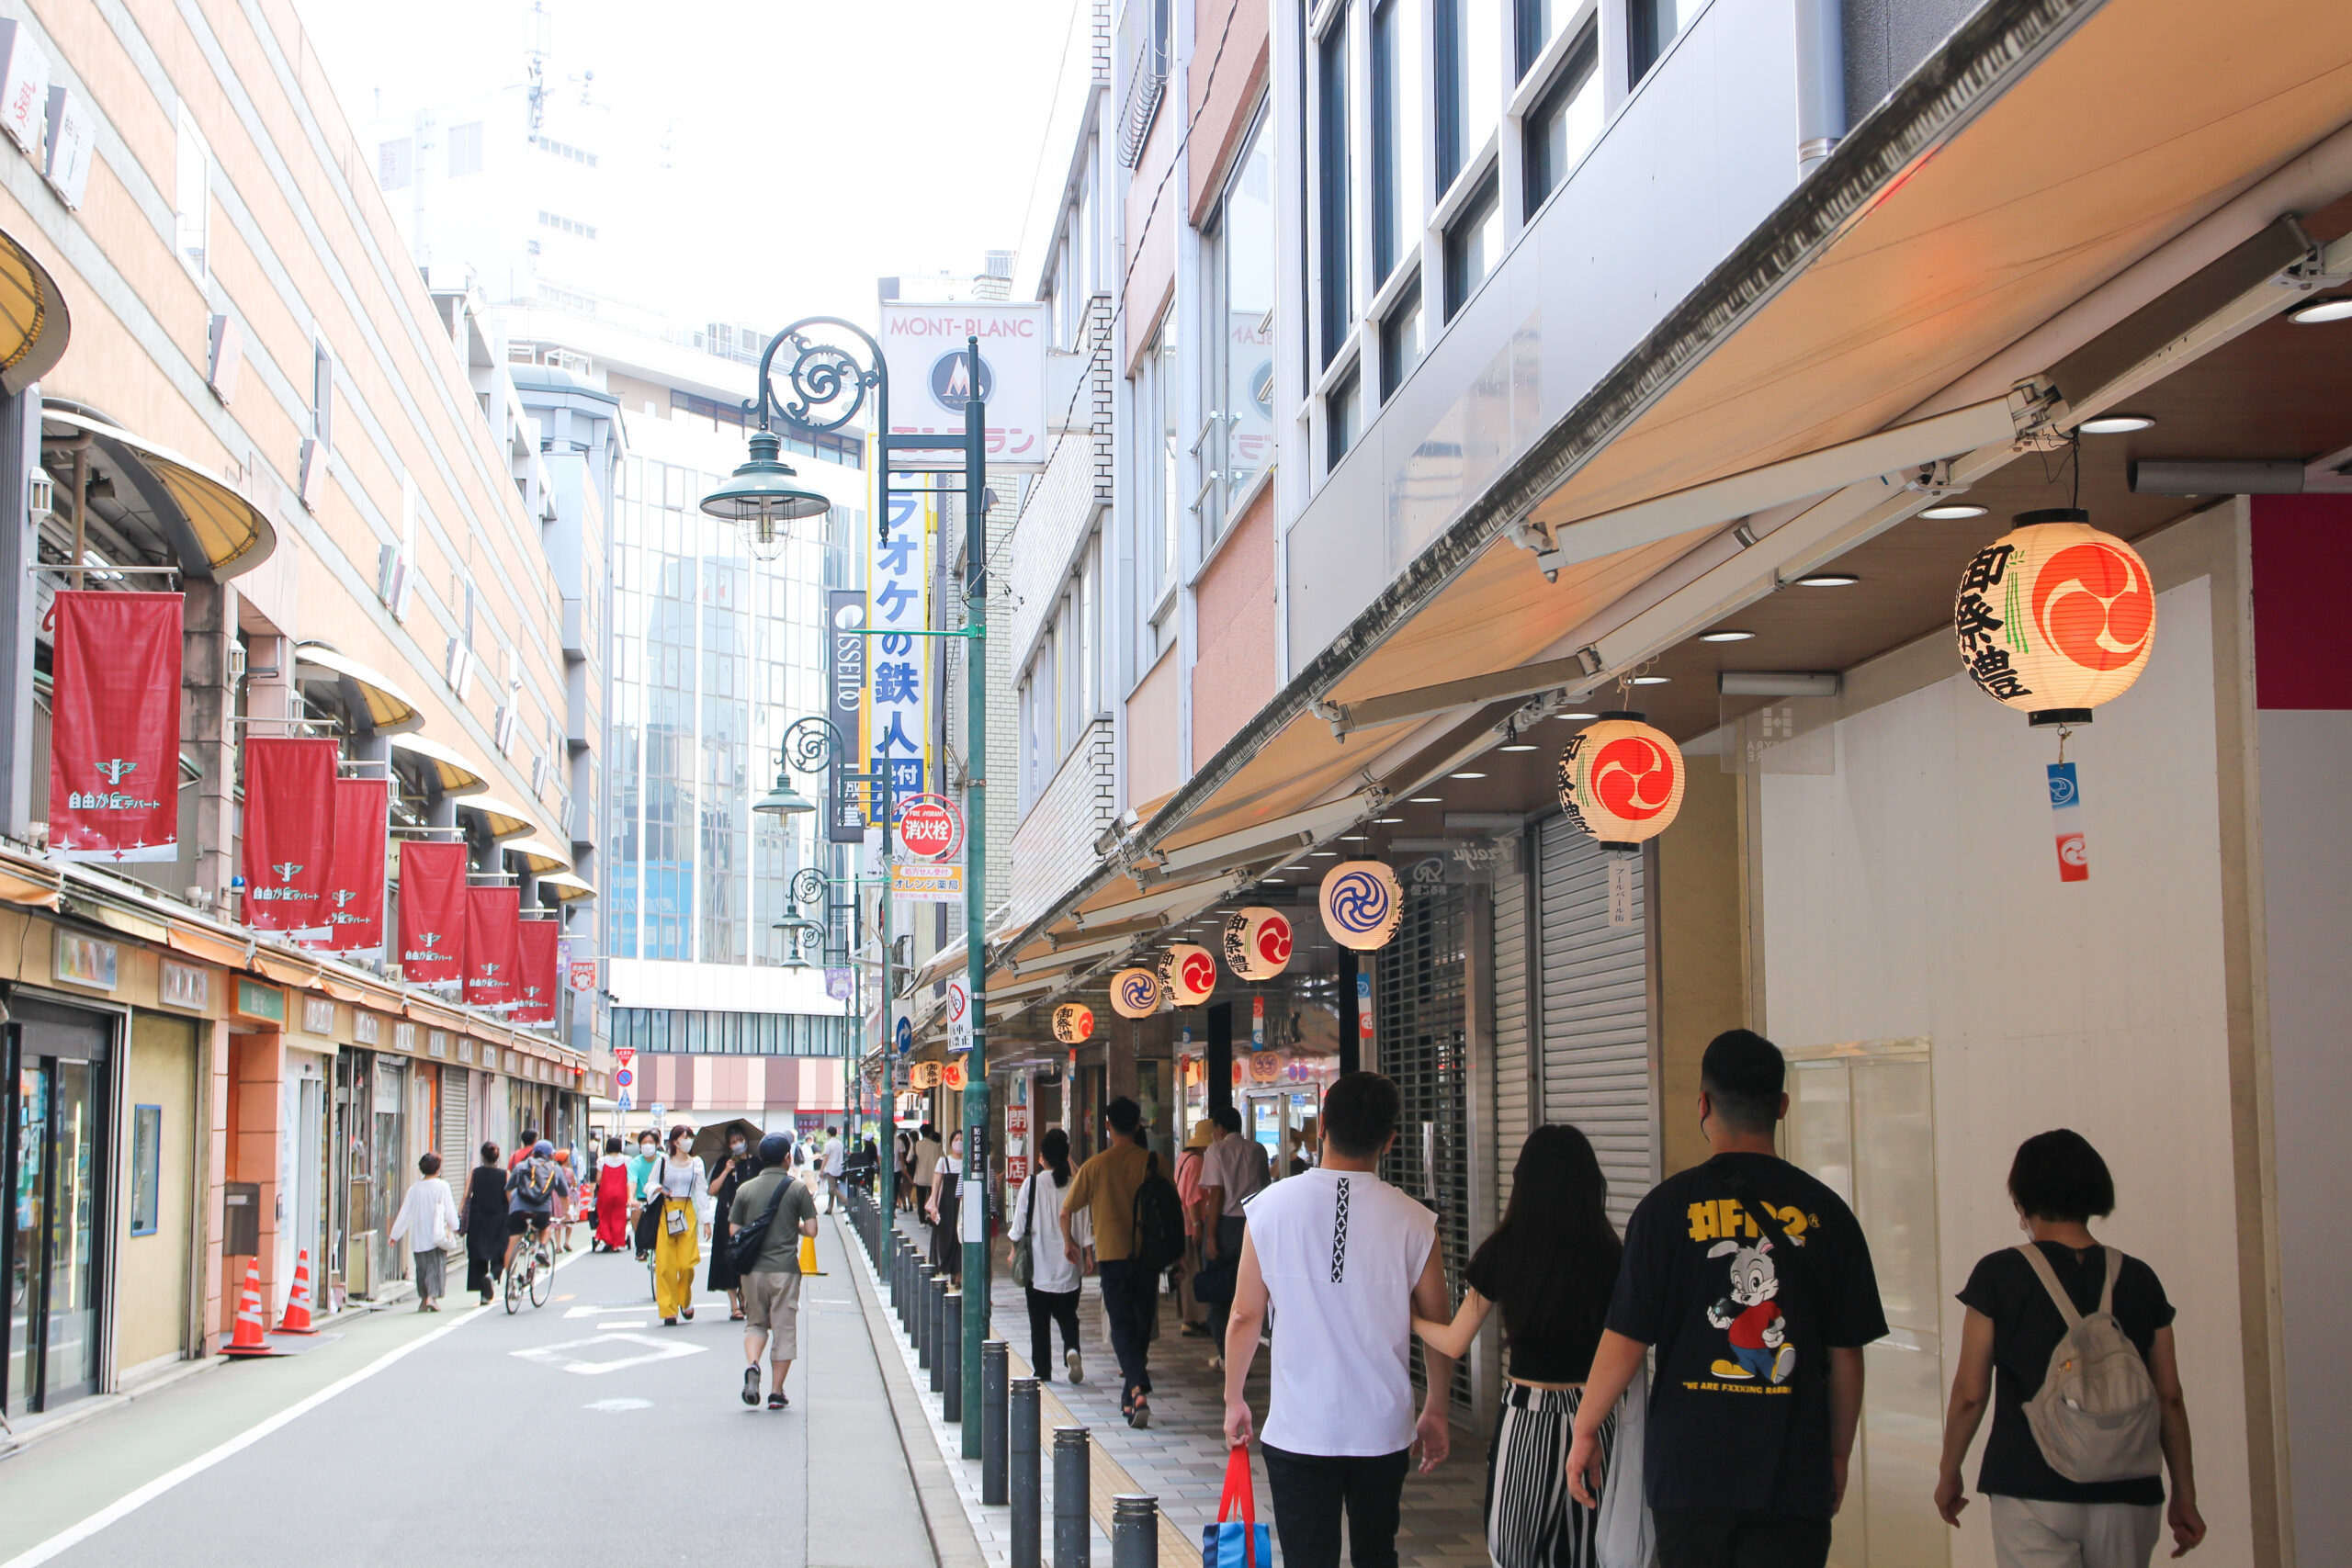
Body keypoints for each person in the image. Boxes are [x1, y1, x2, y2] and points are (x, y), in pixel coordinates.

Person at [1566, 1030, 1886, 1568]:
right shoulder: (1827, 1214)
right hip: (1792, 1471)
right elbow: (1845, 1356)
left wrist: (1585, 1430)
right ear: (1782, 1107)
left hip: (1691, 1475)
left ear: (1703, 1105)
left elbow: (1625, 1339)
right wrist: (1836, 1454)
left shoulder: (1665, 1211)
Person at [1934, 1130, 2205, 1566]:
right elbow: (2169, 1397)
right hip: (2129, 1491)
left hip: (2030, 1488)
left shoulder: (1999, 1275)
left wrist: (1949, 1473)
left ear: (2022, 1198)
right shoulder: (2140, 1278)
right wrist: (2185, 1496)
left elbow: (1970, 1394)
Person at [1221, 1072, 1453, 1568]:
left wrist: (1234, 1398)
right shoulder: (1416, 1221)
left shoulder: (1268, 1209)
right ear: (1391, 1140)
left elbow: (1244, 1315)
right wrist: (1435, 1406)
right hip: (1384, 1429)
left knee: (1307, 1559)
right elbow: (1440, 1324)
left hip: (1299, 1427)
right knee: (1376, 1553)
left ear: (1321, 1125)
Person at [1414, 1125, 1631, 1568]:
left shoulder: (1505, 1250)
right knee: (1589, 1548)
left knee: (1513, 1547)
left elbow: (1455, 1342)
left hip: (1529, 1415)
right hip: (1597, 1416)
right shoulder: (1612, 1254)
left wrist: (1409, 1318)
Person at [1062, 1096, 1158, 1427]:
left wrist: (1070, 1242)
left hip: (1113, 1258)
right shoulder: (1153, 1163)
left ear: (1107, 1125)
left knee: (1121, 1327)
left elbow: (1066, 1210)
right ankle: (1131, 1396)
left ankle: (1137, 1388)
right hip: (1148, 1257)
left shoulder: (1096, 1166)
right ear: (1138, 1124)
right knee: (1141, 1325)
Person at [731, 1132, 822, 1410]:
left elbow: (734, 1231)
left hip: (752, 1271)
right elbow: (812, 1230)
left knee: (755, 1324)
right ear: (787, 1158)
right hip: (784, 1270)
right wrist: (790, 1225)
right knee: (783, 1330)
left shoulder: (745, 1189)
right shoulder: (795, 1189)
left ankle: (754, 1364)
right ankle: (776, 1391)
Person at [1009, 1126, 1089, 1384]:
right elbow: (1086, 1225)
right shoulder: (1076, 1185)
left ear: (1042, 1155)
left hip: (1039, 1268)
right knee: (1067, 1315)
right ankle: (1072, 1349)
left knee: (1039, 1321)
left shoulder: (1032, 1184)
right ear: (1066, 1156)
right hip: (1069, 1265)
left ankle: (1043, 1369)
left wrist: (1012, 1250)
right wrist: (1088, 1254)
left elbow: (1019, 1226)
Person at [1198, 1104, 1272, 1368]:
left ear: (1219, 1128)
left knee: (1219, 1293)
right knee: (1249, 1292)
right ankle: (1245, 1355)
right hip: (1253, 1224)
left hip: (1225, 1225)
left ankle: (1227, 1356)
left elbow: (1216, 1193)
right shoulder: (1258, 1150)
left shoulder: (1216, 1150)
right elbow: (1265, 1190)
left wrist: (1211, 1235)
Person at [647, 1124, 709, 1325]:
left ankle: (685, 1299)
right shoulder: (663, 1162)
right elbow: (650, 1184)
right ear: (674, 1141)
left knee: (687, 1264)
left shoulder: (696, 1163)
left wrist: (707, 1221)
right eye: (684, 1137)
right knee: (665, 1265)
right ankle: (668, 1310)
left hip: (687, 1211)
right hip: (666, 1212)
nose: (688, 1141)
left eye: (690, 1137)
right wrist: (658, 1189)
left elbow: (701, 1191)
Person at [390, 1150, 460, 1313]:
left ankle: (423, 1298)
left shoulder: (415, 1189)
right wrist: (456, 1227)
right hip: (437, 1236)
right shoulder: (442, 1186)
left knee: (421, 1269)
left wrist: (395, 1235)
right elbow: (450, 1209)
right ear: (437, 1169)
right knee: (436, 1267)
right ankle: (432, 1298)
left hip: (419, 1236)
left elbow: (404, 1213)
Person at [503, 1138, 569, 1277]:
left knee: (512, 1244)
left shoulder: (521, 1166)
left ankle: (511, 1281)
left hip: (518, 1209)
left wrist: (511, 1206)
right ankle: (542, 1248)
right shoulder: (555, 1168)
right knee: (546, 1226)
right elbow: (564, 1195)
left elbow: (508, 1189)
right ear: (551, 1155)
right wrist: (566, 1214)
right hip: (541, 1210)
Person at [707, 1128, 754, 1320]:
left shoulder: (755, 1163)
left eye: (740, 1140)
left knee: (747, 1258)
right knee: (727, 1257)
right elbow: (712, 1190)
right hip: (725, 1216)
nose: (737, 1144)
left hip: (749, 1217)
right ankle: (734, 1304)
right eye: (733, 1141)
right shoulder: (723, 1163)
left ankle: (745, 1294)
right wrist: (727, 1170)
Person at [1175, 1119, 1214, 1337]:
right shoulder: (1196, 1162)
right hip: (1191, 1225)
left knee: (1188, 1271)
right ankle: (1193, 1319)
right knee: (1194, 1271)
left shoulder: (1184, 1157)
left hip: (1183, 1224)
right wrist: (1198, 1225)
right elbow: (1192, 1198)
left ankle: (1191, 1317)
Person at [458, 1142, 507, 1304]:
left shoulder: (475, 1173)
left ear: (482, 1156)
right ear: (497, 1157)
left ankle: (483, 1294)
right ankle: (492, 1276)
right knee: (499, 1253)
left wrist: (460, 1216)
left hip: (478, 1220)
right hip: (499, 1219)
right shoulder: (504, 1174)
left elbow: (466, 1196)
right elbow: (509, 1198)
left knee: (478, 1256)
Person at [926, 1128, 964, 1280]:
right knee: (946, 1236)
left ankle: (958, 1274)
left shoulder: (969, 1162)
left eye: (961, 1140)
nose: (959, 1143)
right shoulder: (944, 1162)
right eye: (956, 1140)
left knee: (960, 1237)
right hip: (946, 1205)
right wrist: (933, 1204)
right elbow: (936, 1184)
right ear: (950, 1144)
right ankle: (947, 1268)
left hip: (962, 1205)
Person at [594, 1137, 632, 1253]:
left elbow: (598, 1179)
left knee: (604, 1216)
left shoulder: (602, 1161)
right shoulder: (627, 1160)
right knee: (619, 1217)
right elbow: (629, 1177)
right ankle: (618, 1242)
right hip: (621, 1193)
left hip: (605, 1193)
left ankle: (607, 1239)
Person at [628, 1129, 662, 1260]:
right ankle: (640, 1246)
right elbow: (632, 1181)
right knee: (636, 1212)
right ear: (640, 1145)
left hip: (660, 1196)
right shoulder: (635, 1163)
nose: (648, 1145)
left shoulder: (663, 1159)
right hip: (642, 1198)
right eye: (644, 1142)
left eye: (651, 1142)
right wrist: (631, 1198)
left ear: (657, 1144)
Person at [912, 1123, 944, 1219]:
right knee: (933, 1199)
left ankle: (922, 1220)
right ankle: (932, 1218)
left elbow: (909, 1158)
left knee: (921, 1200)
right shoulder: (936, 1146)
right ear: (931, 1133)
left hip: (920, 1177)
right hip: (933, 1178)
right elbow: (943, 1159)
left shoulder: (917, 1145)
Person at [550, 1148, 576, 1253]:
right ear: (566, 1160)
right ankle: (567, 1242)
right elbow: (574, 1183)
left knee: (557, 1220)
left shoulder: (554, 1170)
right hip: (567, 1196)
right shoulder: (569, 1171)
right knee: (569, 1219)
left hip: (555, 1195)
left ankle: (558, 1245)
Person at [822, 1126, 845, 1213]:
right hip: (839, 1168)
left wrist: (821, 1170)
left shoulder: (828, 1144)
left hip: (831, 1169)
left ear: (828, 1133)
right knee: (832, 1189)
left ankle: (846, 1200)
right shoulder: (840, 1143)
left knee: (832, 1189)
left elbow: (826, 1157)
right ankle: (829, 1208)